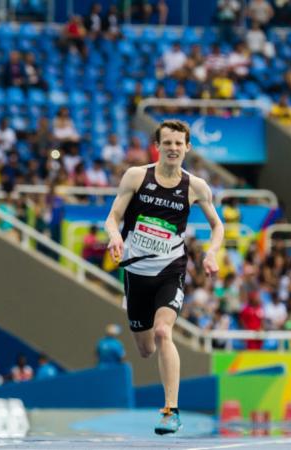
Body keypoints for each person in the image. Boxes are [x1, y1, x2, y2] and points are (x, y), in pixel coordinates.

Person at [104, 120, 224, 435]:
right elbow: (113, 217)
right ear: (157, 146)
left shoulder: (196, 186)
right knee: (146, 349)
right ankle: (136, 311)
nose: (173, 148)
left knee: (162, 332)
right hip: (135, 272)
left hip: (171, 268)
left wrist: (211, 252)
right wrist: (115, 236)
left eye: (178, 143)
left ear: (188, 148)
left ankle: (171, 410)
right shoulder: (136, 176)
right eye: (167, 142)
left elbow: (218, 226)